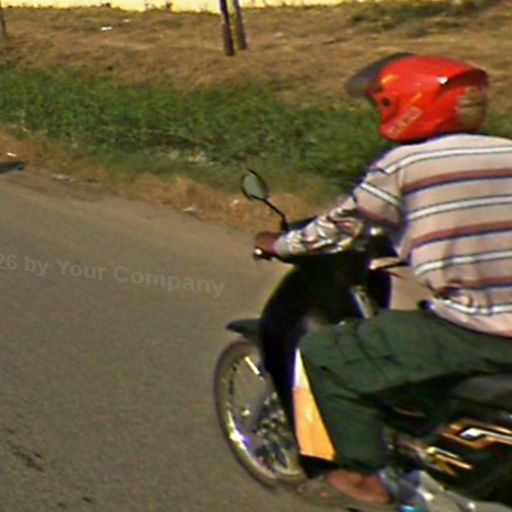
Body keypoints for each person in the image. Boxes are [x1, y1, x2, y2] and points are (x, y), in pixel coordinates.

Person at [254, 53, 512, 511]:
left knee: (326, 354)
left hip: (480, 330)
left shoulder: (404, 165)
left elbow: (341, 227)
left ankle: (359, 477)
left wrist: (281, 244)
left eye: (384, 104)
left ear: (407, 106)